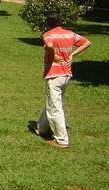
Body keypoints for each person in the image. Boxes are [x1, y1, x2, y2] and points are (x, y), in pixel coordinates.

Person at [27, 11, 91, 148]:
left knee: (55, 108)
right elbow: (86, 42)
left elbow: (50, 46)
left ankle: (62, 140)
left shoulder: (48, 34)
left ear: (47, 22)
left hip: (54, 75)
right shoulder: (69, 34)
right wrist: (72, 54)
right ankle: (41, 128)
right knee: (53, 102)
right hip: (66, 75)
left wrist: (53, 56)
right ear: (60, 21)